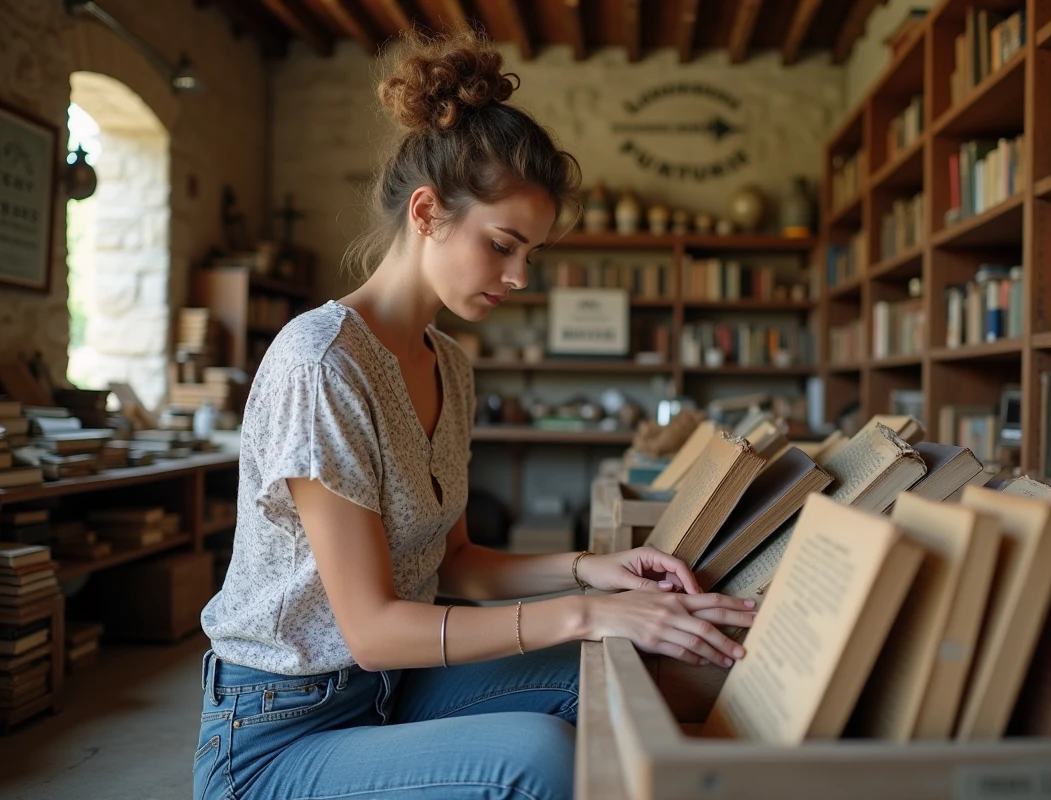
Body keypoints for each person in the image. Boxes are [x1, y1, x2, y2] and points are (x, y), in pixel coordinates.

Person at [194, 31, 756, 800]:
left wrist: (590, 572)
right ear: (427, 213)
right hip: (279, 732)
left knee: (633, 676)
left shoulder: (449, 365)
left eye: (532, 254)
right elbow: (374, 628)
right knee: (539, 755)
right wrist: (584, 613)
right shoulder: (321, 363)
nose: (521, 276)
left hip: (391, 690)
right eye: (503, 246)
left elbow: (453, 561)